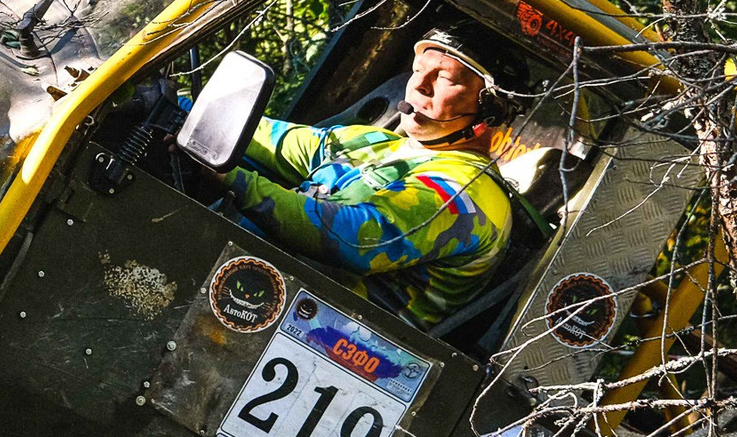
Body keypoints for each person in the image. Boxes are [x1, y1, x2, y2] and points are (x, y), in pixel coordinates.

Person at [220, 28, 516, 329]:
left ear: (490, 110)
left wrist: (229, 177)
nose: (420, 86)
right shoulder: (376, 142)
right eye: (418, 71)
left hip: (326, 337)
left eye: (444, 78)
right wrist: (199, 115)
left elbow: (354, 238)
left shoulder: (468, 191)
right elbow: (264, 135)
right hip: (255, 296)